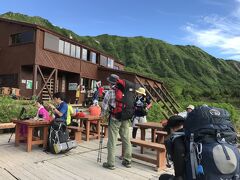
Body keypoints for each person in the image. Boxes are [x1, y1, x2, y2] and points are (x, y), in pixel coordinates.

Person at [101, 74, 132, 170]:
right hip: (126, 118)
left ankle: (111, 163)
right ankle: (127, 161)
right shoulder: (126, 91)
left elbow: (104, 107)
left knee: (112, 141)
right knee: (126, 139)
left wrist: (103, 116)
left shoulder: (110, 92)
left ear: (111, 83)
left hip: (114, 118)